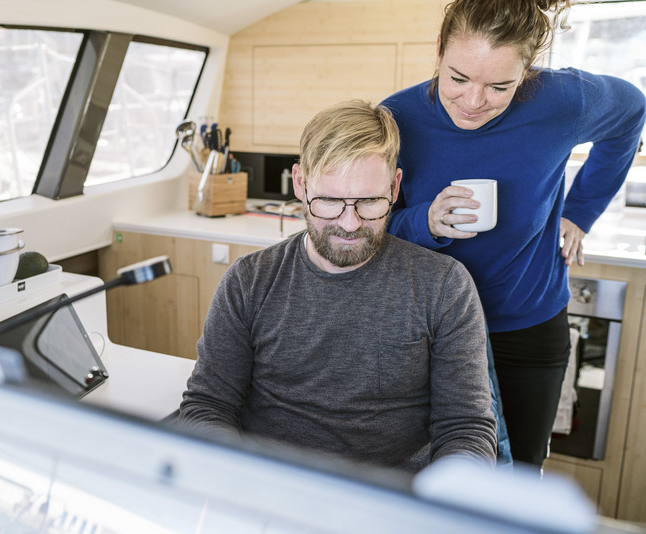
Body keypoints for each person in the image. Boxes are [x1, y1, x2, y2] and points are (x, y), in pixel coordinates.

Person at [381, 0, 646, 468]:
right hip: (429, 330)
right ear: (439, 51)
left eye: (499, 86)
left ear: (527, 73)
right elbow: (373, 223)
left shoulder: (564, 102)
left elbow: (632, 112)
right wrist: (424, 221)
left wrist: (581, 211)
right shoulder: (396, 119)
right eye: (458, 78)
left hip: (529, 328)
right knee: (434, 475)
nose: (474, 101)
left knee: (519, 477)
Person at [178, 100, 497, 472]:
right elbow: (208, 405)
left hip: (392, 504)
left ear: (395, 188)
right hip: (268, 491)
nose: (349, 223)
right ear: (300, 183)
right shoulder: (249, 281)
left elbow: (466, 428)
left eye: (370, 202)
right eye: (329, 201)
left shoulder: (444, 286)